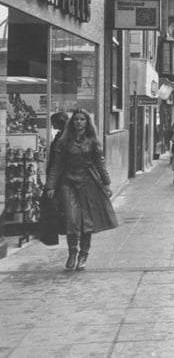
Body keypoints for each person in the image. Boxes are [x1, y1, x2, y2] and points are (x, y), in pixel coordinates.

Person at [44, 109, 118, 271]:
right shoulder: (64, 141)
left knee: (86, 222)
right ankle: (72, 252)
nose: (79, 122)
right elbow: (56, 165)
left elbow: (100, 163)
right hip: (68, 183)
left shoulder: (92, 141)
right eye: (76, 119)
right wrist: (50, 185)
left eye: (82, 120)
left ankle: (84, 254)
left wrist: (106, 183)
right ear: (72, 122)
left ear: (87, 122)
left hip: (88, 182)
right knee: (72, 219)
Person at [45, 111, 70, 181]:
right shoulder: (61, 134)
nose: (52, 124)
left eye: (53, 122)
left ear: (60, 122)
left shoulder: (65, 136)